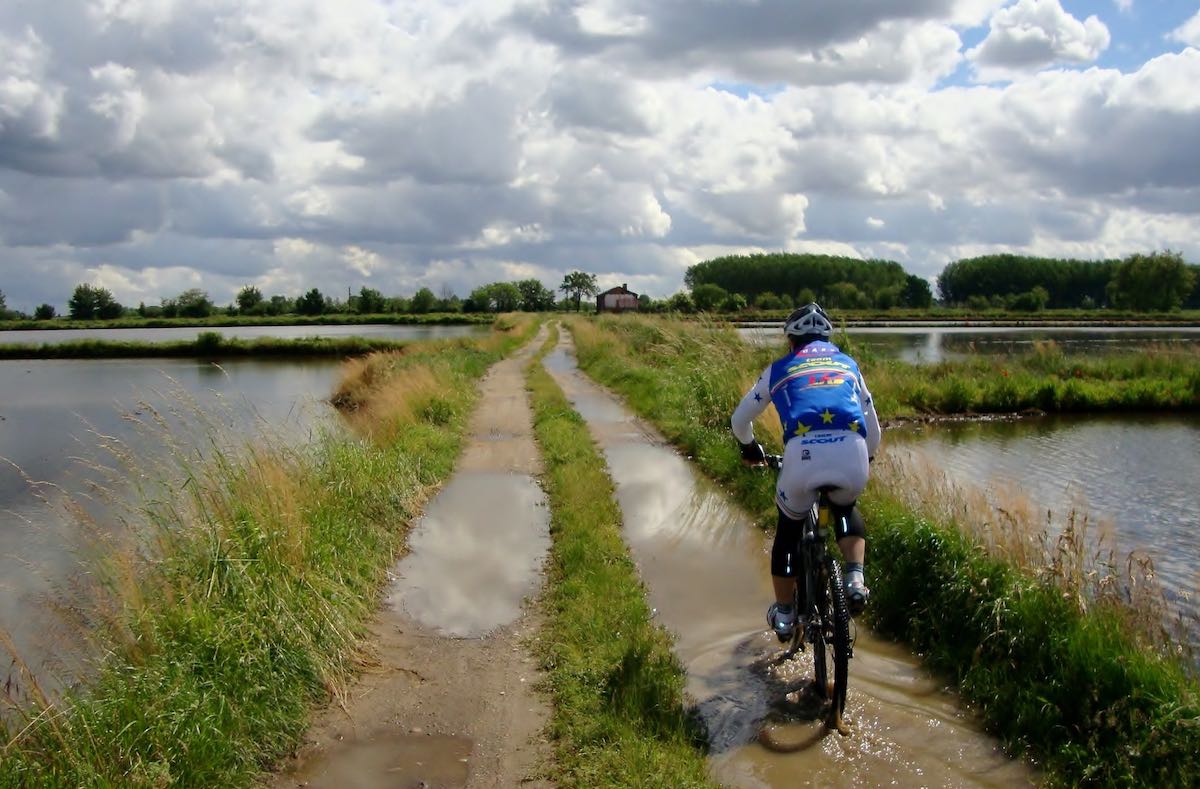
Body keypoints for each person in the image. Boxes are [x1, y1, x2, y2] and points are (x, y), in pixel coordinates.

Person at [730, 303, 882, 641]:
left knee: (788, 529)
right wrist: (865, 459)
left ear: (790, 341)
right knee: (845, 505)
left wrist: (750, 448)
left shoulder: (780, 368)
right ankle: (855, 577)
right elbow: (874, 430)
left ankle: (785, 612)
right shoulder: (848, 365)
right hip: (851, 452)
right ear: (828, 337)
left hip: (803, 456)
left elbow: (740, 420)